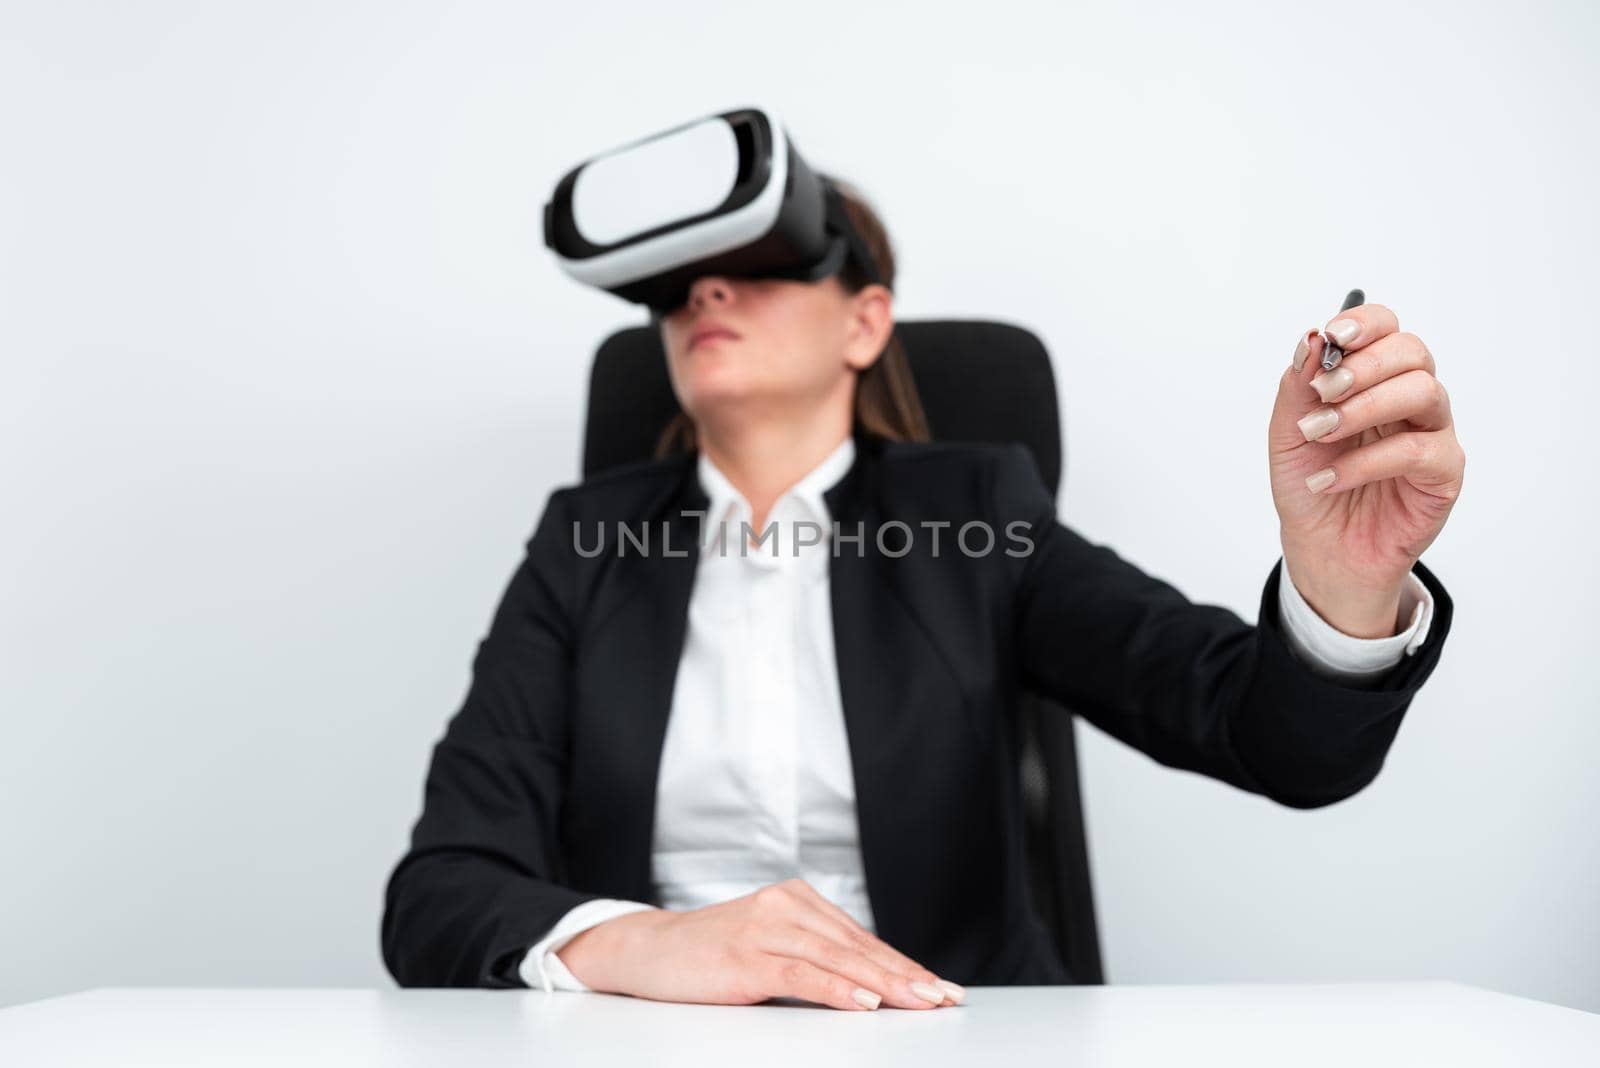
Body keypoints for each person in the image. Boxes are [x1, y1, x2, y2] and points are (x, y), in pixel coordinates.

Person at [380, 177, 1463, 1012]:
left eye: (765, 260)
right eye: (681, 278)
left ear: (863, 324)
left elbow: (1271, 740)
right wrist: (641, 941)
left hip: (939, 1030)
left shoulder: (979, 512)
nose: (705, 289)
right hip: (649, 1039)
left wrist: (1341, 581)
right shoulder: (588, 543)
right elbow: (437, 892)